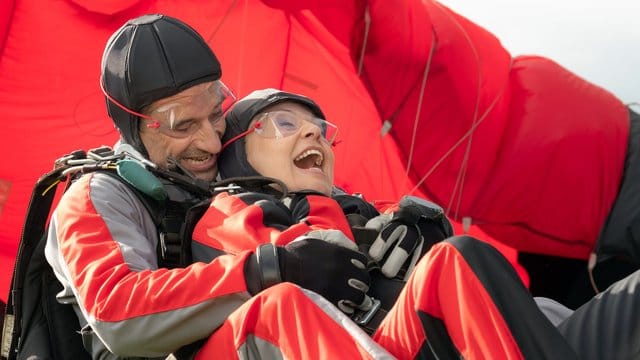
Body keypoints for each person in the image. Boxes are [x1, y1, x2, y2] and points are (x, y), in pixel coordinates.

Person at [193, 88, 640, 359]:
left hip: (502, 338)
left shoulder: (370, 208)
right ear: (236, 154)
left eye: (320, 127)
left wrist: (427, 227)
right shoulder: (228, 214)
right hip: (387, 346)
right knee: (456, 261)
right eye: (284, 123)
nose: (312, 134)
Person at [44, 14, 394, 359]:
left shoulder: (221, 168)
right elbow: (115, 310)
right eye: (183, 127)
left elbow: (318, 200)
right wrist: (266, 270)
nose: (211, 142)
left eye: (215, 114)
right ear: (135, 127)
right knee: (277, 311)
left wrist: (397, 221)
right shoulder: (96, 197)